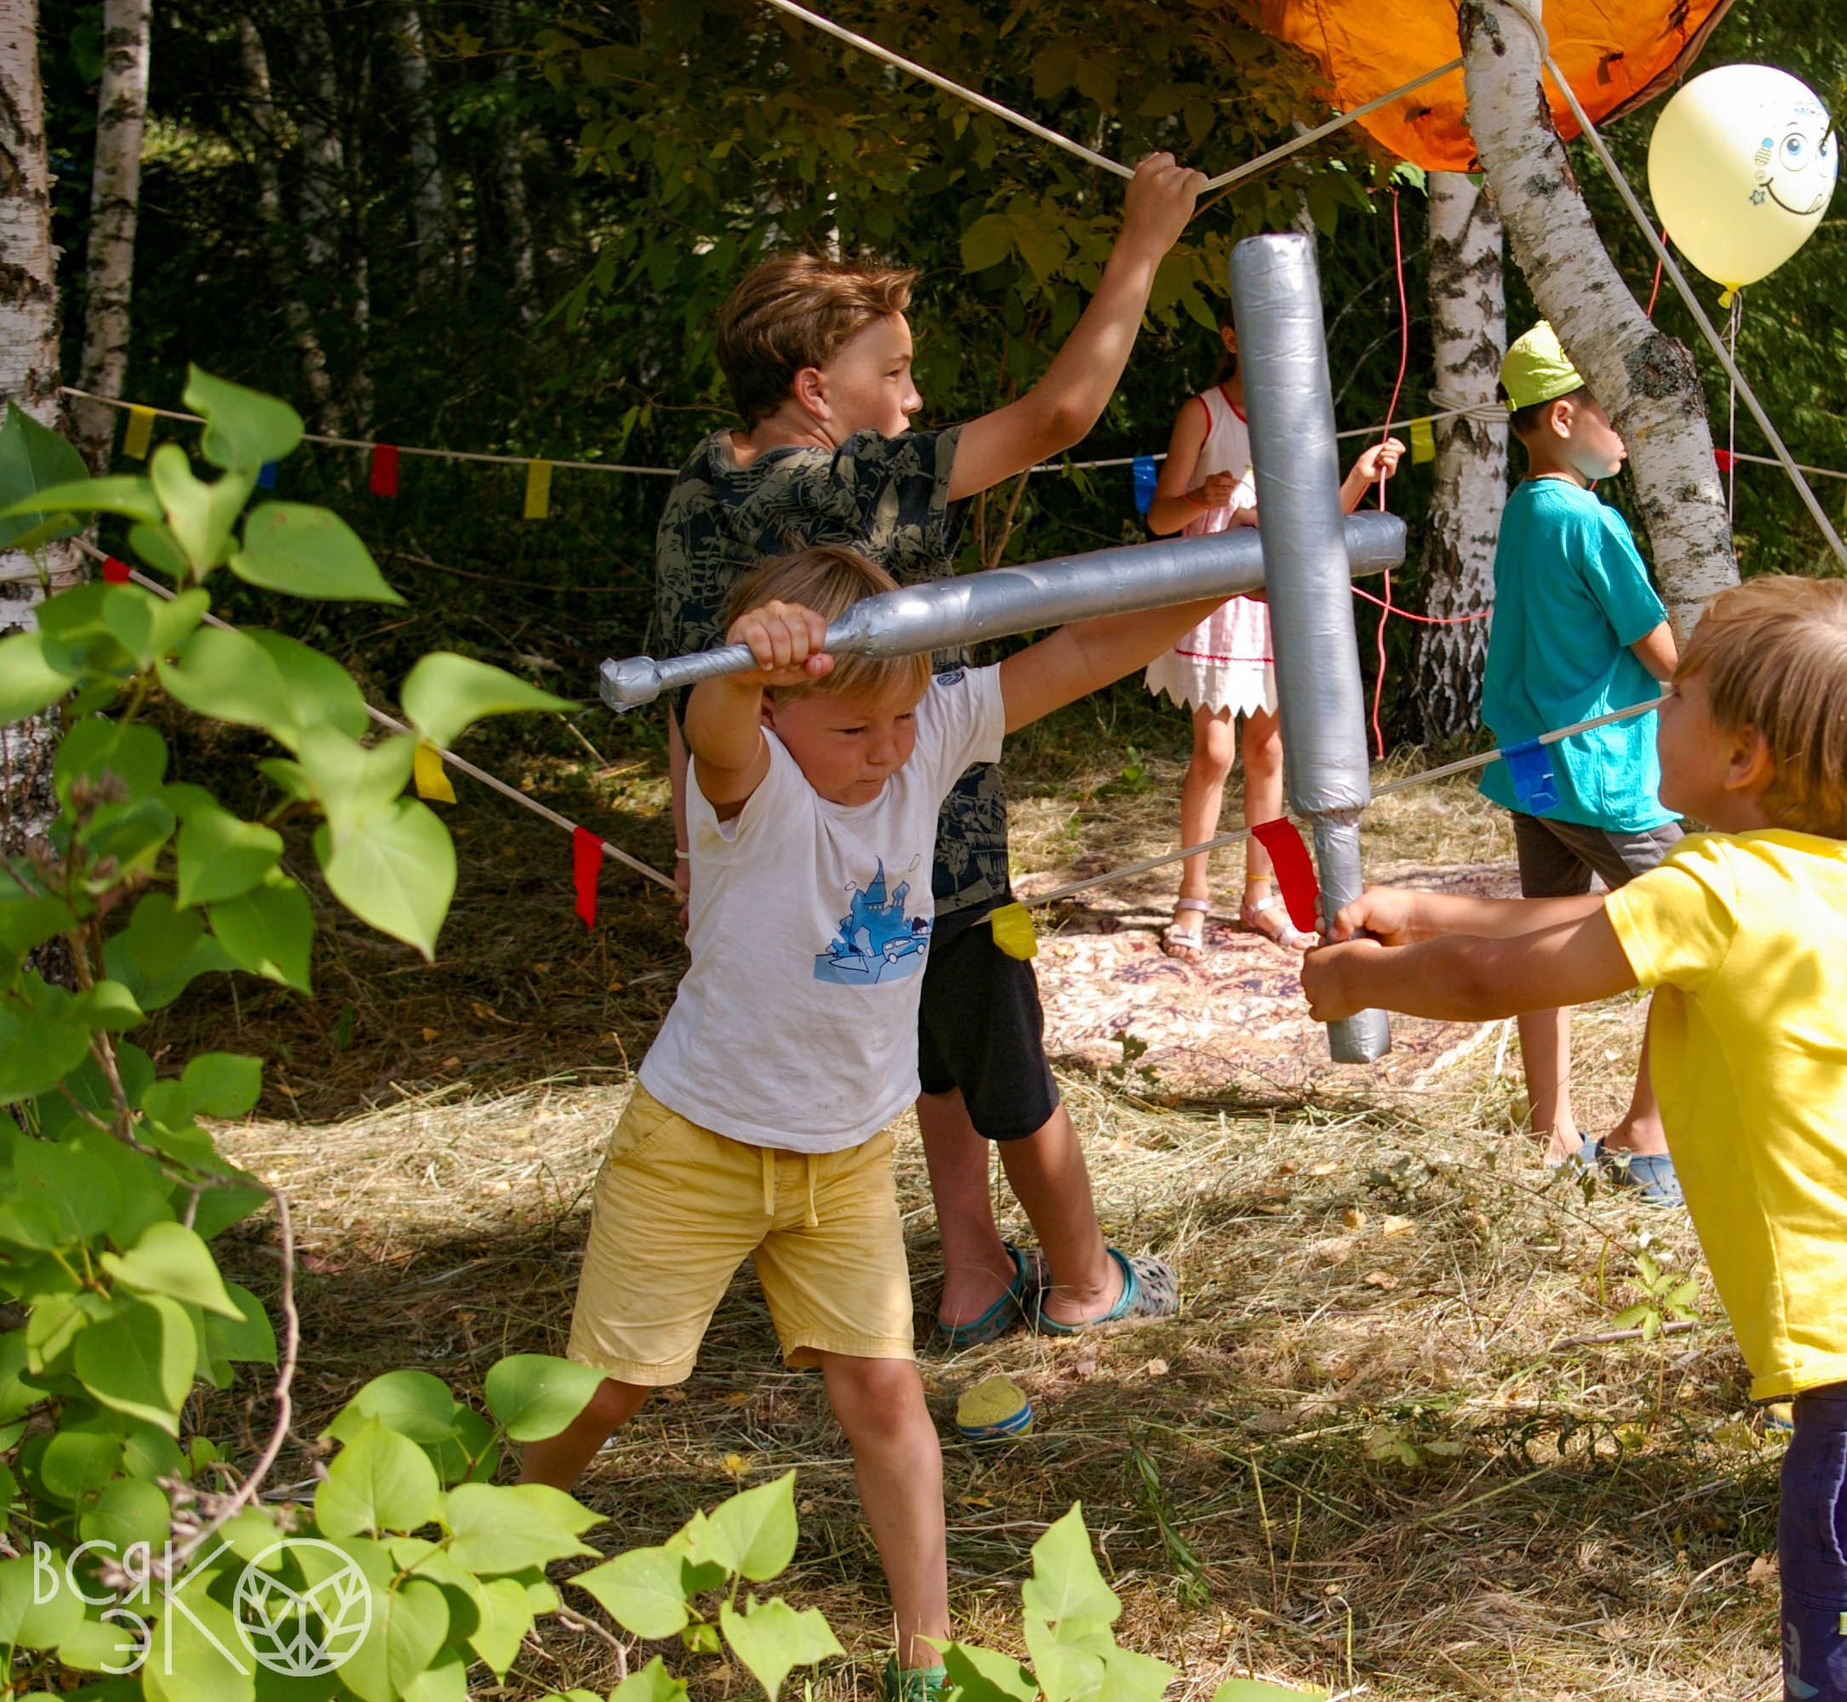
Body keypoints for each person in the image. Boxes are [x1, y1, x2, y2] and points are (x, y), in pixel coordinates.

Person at [1300, 576, 1847, 1702]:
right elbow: (1594, 924)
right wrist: (1429, 910)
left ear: (1743, 756)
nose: (1651, 711)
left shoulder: (1719, 888)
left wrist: (1359, 981)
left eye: (1676, 698)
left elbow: (1495, 979)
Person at [524, 548, 1219, 1702]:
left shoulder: (923, 738)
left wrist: (1233, 576)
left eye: (902, 718)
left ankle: (924, 1660)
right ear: (778, 705)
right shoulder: (747, 785)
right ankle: (487, 1538)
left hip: (845, 1159)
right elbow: (714, 728)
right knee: (609, 1389)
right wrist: (745, 663)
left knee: (886, 1396)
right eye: (854, 730)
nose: (890, 748)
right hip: (697, 1145)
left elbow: (1083, 648)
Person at [649, 154, 1206, 1347]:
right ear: (814, 387)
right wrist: (1143, 242)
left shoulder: (696, 493)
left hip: (772, 863)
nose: (912, 398)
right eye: (891, 372)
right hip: (927, 838)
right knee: (1005, 1059)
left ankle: (969, 1269)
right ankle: (1082, 1279)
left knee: (922, 1050)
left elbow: (688, 688)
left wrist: (691, 844)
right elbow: (1061, 416)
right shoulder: (868, 480)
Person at [1477, 322, 1682, 1204]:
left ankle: (1549, 1130)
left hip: (1533, 766)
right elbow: (1660, 650)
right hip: (1601, 778)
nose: (1626, 433)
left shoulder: (1523, 511)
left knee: (1543, 939)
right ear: (1564, 417)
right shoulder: (1589, 520)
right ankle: (1644, 1138)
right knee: (1697, 934)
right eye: (1615, 414)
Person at [1141, 314, 1401, 959]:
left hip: (1274, 602)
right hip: (1212, 600)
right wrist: (1201, 496)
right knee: (1214, 754)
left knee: (1270, 751)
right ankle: (1192, 896)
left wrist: (1360, 476)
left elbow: (1313, 524)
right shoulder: (1203, 412)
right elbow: (1160, 518)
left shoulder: (1294, 417)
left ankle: (1263, 895)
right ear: (1231, 338)